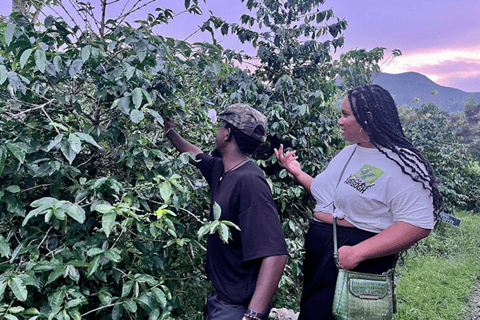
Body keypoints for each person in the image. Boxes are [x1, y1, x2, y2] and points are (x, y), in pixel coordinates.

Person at [274, 84, 443, 320]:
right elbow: (329, 198)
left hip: (356, 258)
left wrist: (358, 252)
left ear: (368, 118)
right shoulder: (351, 152)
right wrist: (297, 172)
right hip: (326, 254)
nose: (340, 121)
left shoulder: (401, 162)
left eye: (345, 115)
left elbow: (418, 223)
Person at [164, 103, 288, 320]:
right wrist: (170, 132)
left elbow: (276, 254)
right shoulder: (223, 169)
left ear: (228, 133)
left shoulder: (250, 182)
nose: (218, 132)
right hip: (220, 299)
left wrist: (253, 315)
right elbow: (195, 153)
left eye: (222, 127)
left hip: (237, 308)